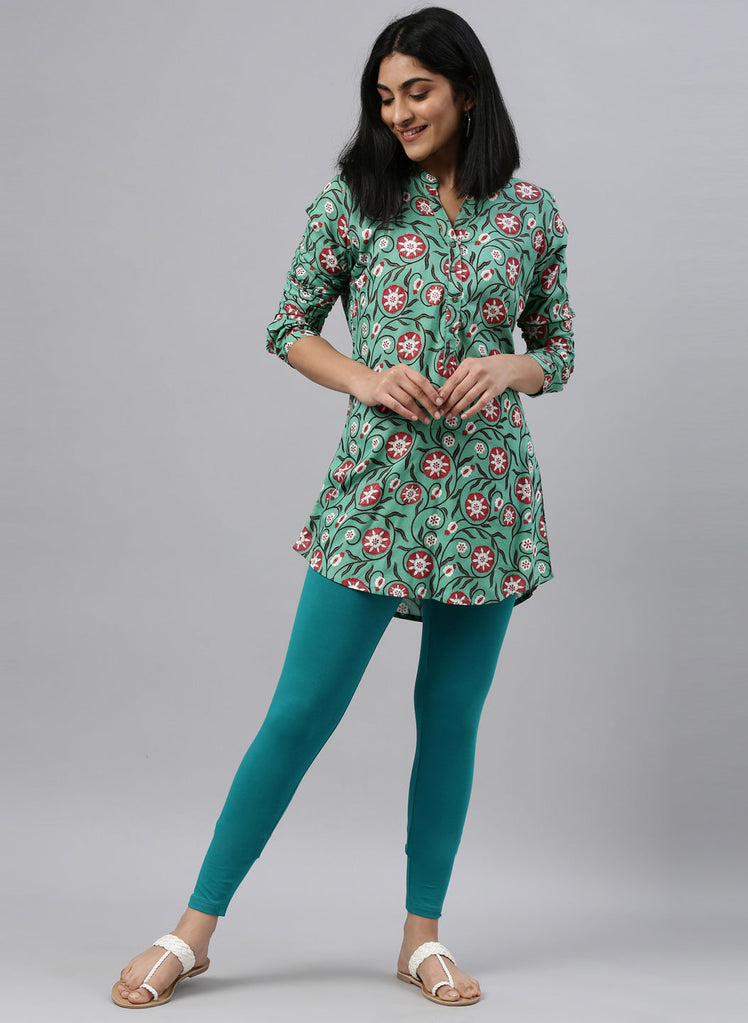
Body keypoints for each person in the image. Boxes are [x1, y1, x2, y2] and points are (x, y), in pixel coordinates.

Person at [112, 5, 575, 1009]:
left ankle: (420, 939)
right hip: (375, 492)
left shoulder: (530, 212)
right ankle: (191, 930)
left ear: (466, 93)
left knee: (449, 720)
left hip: (486, 501)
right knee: (299, 712)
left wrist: (511, 367)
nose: (397, 112)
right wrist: (365, 378)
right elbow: (288, 326)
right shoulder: (352, 201)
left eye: (417, 91)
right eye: (384, 96)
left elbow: (558, 349)